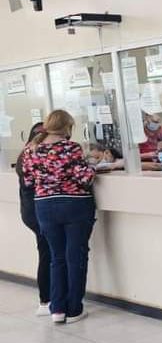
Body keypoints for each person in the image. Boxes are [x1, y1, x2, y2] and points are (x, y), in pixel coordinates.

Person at [21, 111, 97, 324]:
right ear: (66, 127)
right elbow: (85, 177)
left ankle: (57, 309)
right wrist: (92, 168)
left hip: (44, 206)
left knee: (57, 258)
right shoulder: (71, 147)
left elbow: (28, 181)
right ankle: (74, 310)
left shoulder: (31, 149)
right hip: (74, 205)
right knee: (75, 257)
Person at [15, 122, 50, 316]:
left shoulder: (25, 154)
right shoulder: (34, 154)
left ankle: (47, 300)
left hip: (31, 212)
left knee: (47, 253)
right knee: (48, 254)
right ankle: (46, 300)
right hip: (37, 212)